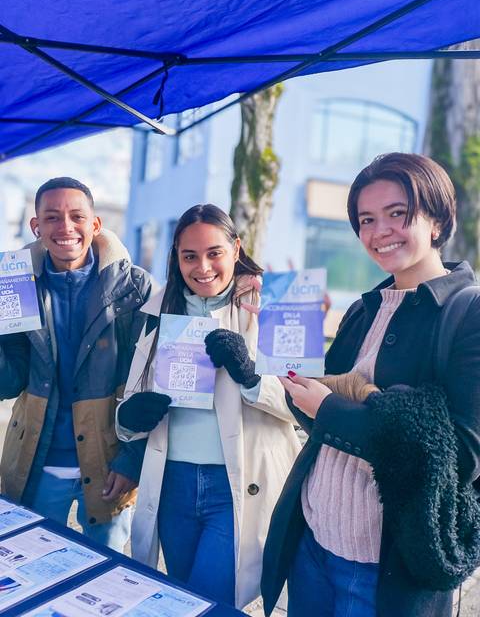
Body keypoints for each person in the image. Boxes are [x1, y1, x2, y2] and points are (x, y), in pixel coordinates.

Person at [261, 153, 480, 617]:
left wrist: (332, 410)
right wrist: (287, 343)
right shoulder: (363, 309)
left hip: (387, 564)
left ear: (437, 220)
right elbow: (311, 410)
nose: (380, 231)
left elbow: (463, 454)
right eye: (366, 219)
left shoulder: (469, 314)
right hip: (314, 540)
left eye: (397, 214)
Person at [116, 204, 301, 608]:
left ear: (236, 248)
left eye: (214, 252)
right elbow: (131, 404)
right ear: (176, 258)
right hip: (172, 485)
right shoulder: (155, 311)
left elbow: (303, 405)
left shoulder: (277, 300)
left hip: (237, 485)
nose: (202, 267)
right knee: (182, 599)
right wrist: (128, 418)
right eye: (189, 256)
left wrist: (251, 376)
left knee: (213, 602)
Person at [0, 177, 153, 552]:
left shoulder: (134, 289)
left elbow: (149, 380)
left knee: (107, 587)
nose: (65, 227)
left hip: (110, 465)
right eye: (51, 217)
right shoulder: (15, 286)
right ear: (36, 226)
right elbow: (8, 382)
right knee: (32, 573)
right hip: (36, 461)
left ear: (95, 224)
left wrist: (133, 459)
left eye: (76, 216)